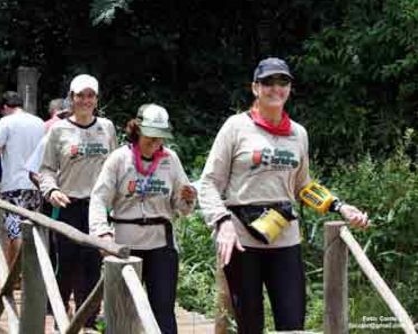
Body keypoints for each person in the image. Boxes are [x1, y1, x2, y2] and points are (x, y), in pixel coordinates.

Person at [198, 57, 369, 334]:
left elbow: (303, 186)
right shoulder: (235, 127)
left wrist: (340, 206)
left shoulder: (298, 133)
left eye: (283, 82)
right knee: (247, 324)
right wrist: (221, 222)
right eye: (268, 82)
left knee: (292, 324)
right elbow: (208, 183)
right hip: (241, 240)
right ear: (255, 88)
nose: (275, 88)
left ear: (289, 88)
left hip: (284, 238)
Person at [89, 104, 197, 334]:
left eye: (160, 136)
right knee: (121, 311)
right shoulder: (119, 159)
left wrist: (188, 199)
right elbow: (99, 198)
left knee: (163, 311)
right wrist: (102, 234)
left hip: (161, 244)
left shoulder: (171, 160)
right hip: (124, 245)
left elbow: (182, 207)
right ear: (137, 129)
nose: (155, 141)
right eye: (151, 135)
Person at [39, 74, 117, 327]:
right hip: (67, 205)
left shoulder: (106, 127)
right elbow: (46, 168)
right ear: (71, 99)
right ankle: (62, 319)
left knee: (93, 265)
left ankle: (89, 319)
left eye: (90, 95)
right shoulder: (58, 130)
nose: (85, 100)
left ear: (96, 99)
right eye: (80, 95)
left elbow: (117, 165)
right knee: (67, 264)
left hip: (98, 207)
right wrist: (51, 191)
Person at [0, 91, 45, 266]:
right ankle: (29, 272)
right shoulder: (39, 122)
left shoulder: (6, 122)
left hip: (13, 184)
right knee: (32, 229)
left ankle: (14, 277)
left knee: (15, 231)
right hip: (36, 183)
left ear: (5, 107)